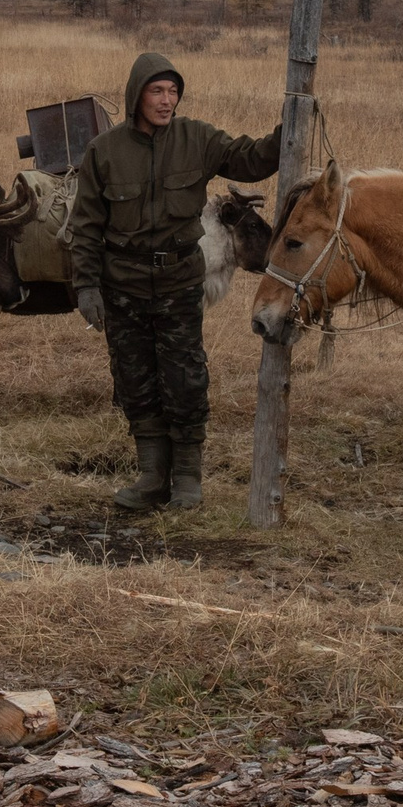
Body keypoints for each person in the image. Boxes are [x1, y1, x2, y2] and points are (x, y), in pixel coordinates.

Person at [68, 52, 282, 512]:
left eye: (173, 92)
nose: (167, 101)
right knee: (134, 379)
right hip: (122, 285)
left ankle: (187, 480)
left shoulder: (196, 138)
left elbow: (247, 159)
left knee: (184, 379)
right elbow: (85, 225)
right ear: (136, 95)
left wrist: (286, 134)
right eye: (157, 91)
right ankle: (151, 478)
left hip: (178, 283)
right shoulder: (103, 151)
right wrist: (86, 285)